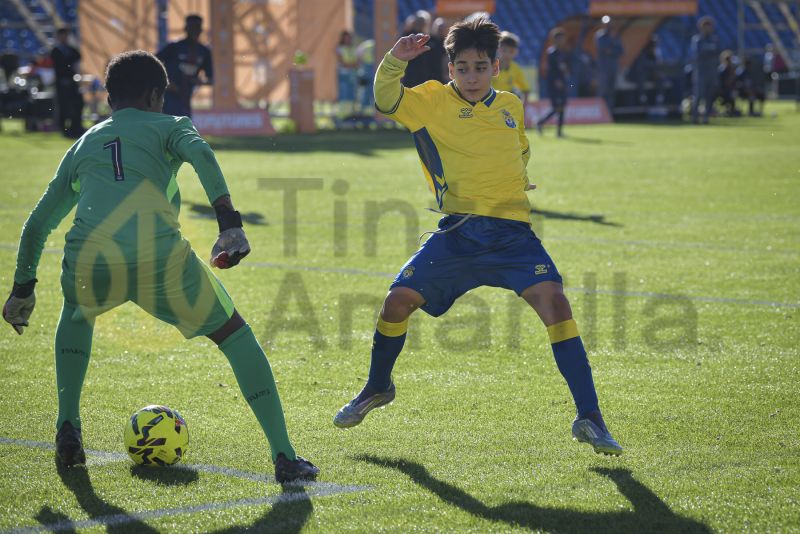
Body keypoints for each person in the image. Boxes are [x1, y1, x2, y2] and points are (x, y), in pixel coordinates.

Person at [1, 51, 319, 483]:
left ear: (110, 98)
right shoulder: (171, 125)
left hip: (89, 257)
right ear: (155, 95)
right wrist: (229, 223)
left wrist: (23, 288)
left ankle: (68, 426)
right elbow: (202, 156)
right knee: (235, 335)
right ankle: (285, 456)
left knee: (77, 314)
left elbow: (37, 223)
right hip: (159, 259)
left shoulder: (85, 143)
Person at [332, 19, 623, 457]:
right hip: (460, 233)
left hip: (512, 237)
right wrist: (395, 60)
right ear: (449, 67)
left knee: (556, 303)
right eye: (463, 67)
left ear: (496, 67)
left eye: (480, 67)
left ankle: (591, 417)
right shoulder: (429, 100)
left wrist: (516, 178)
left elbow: (520, 148)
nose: (471, 75)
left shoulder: (511, 104)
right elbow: (385, 99)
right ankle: (377, 387)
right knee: (397, 301)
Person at [156, 14, 213, 117]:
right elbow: (154, 63)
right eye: (191, 28)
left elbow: (211, 78)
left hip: (185, 97)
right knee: (170, 121)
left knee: (183, 122)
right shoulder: (174, 47)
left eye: (197, 28)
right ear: (185, 29)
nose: (194, 31)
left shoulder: (204, 51)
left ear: (201, 30)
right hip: (167, 95)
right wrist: (165, 82)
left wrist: (199, 81)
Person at [50, 27, 85, 138]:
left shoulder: (70, 49)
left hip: (71, 82)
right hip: (61, 82)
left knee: (77, 104)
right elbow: (61, 66)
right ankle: (63, 129)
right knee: (63, 106)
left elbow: (78, 55)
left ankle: (75, 126)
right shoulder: (56, 50)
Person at [536, 27, 570, 138]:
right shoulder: (552, 52)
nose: (562, 41)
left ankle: (559, 131)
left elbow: (563, 67)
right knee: (557, 107)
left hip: (562, 82)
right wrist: (557, 81)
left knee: (562, 107)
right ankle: (540, 122)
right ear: (555, 40)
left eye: (563, 38)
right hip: (555, 84)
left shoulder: (562, 53)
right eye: (560, 39)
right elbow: (551, 70)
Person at [689, 16, 720, 124]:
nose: (707, 29)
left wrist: (707, 52)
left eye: (709, 26)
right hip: (701, 72)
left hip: (712, 72)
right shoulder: (697, 40)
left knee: (710, 95)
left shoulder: (715, 39)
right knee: (699, 94)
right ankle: (695, 117)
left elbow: (717, 54)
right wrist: (709, 52)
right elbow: (698, 54)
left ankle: (706, 117)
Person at [493, 31, 531, 106]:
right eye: (504, 50)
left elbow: (526, 90)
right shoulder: (489, 66)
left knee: (516, 95)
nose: (507, 54)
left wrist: (523, 108)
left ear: (516, 52)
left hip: (505, 106)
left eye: (511, 51)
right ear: (497, 49)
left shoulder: (515, 68)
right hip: (488, 105)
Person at [594, 18, 623, 111]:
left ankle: (609, 112)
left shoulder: (615, 36)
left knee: (611, 91)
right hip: (603, 68)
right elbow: (603, 49)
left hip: (613, 67)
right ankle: (600, 111)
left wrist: (612, 50)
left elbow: (621, 51)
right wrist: (612, 50)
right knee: (603, 90)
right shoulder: (600, 35)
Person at [336, 30, 359, 116]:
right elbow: (343, 63)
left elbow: (357, 62)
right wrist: (352, 65)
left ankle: (350, 113)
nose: (348, 40)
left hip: (352, 74)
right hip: (344, 74)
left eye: (349, 38)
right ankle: (343, 114)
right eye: (346, 38)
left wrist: (351, 65)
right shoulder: (340, 48)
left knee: (351, 93)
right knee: (344, 93)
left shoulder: (353, 48)